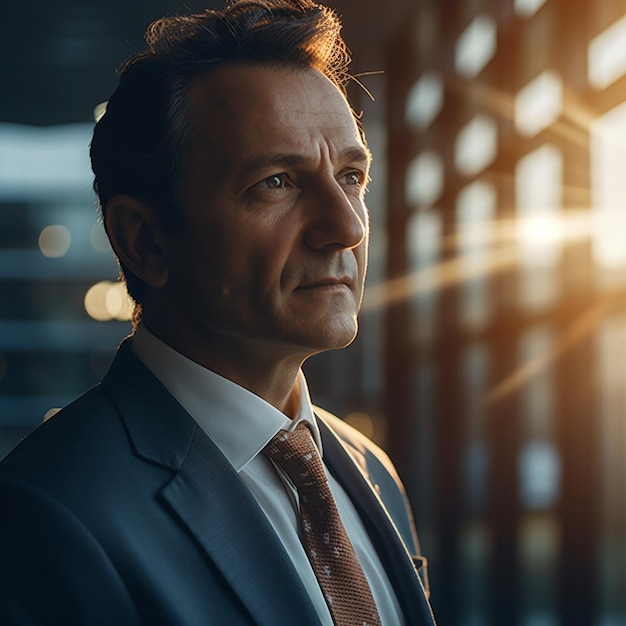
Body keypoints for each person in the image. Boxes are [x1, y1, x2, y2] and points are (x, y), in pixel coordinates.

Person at [0, 1, 435, 624]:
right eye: (277, 182)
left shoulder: (371, 472)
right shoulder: (47, 516)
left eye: (351, 176)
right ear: (146, 240)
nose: (345, 227)